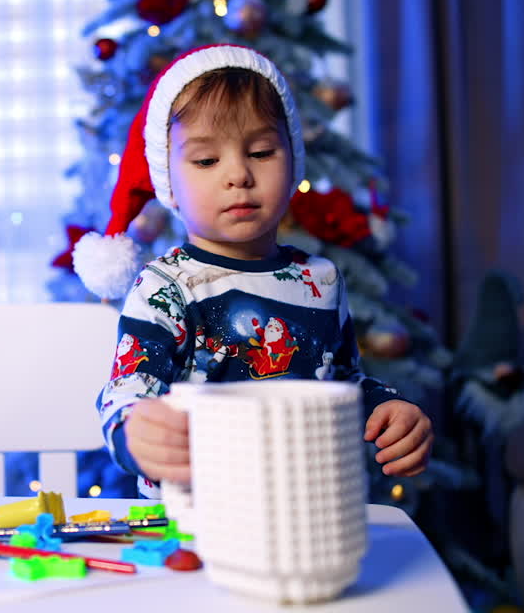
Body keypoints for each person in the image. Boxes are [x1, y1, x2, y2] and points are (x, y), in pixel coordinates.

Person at [72, 44, 433, 498]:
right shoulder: (167, 287)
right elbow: (129, 386)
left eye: (261, 152)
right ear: (170, 181)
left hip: (305, 515)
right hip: (199, 519)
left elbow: (339, 381)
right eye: (206, 160)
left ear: (292, 157)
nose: (238, 174)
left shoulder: (319, 280)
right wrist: (135, 431)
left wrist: (387, 409)